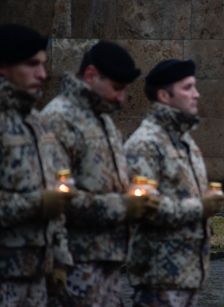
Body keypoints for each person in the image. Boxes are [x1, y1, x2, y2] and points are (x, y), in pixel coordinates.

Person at [41, 41, 159, 306]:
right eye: (117, 88)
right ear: (92, 75)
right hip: (75, 264)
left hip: (108, 260)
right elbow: (57, 200)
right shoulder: (59, 119)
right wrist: (123, 206)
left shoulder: (102, 118)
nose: (121, 99)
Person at [124, 59, 224, 307]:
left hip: (187, 274)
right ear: (164, 95)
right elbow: (146, 209)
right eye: (188, 87)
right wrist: (201, 207)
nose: (196, 94)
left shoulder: (183, 139)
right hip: (159, 278)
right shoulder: (145, 144)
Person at [0, 23, 76, 306]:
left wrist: (59, 260)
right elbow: (44, 201)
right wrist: (37, 203)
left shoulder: (37, 124)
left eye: (43, 64)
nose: (43, 75)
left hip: (36, 276)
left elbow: (55, 197)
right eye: (32, 64)